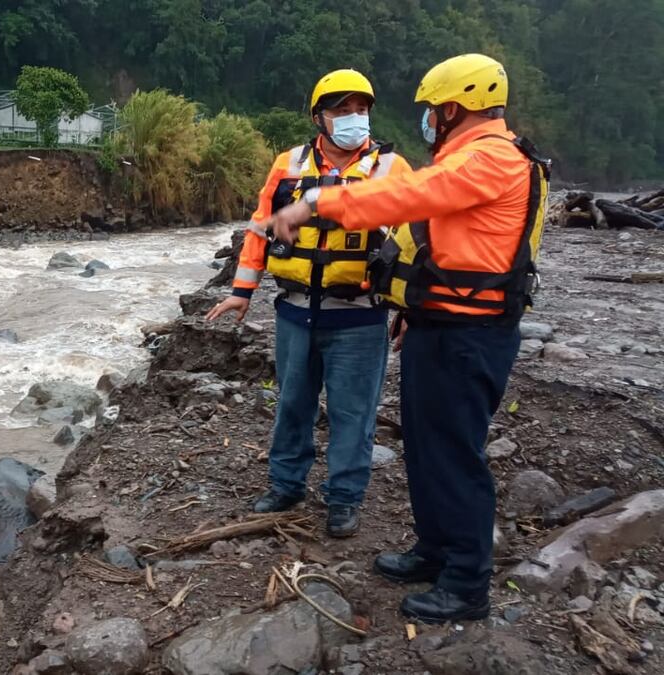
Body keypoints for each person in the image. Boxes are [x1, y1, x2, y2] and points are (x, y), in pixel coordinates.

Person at [261, 53, 550, 623]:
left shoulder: (490, 159)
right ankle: (435, 550)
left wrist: (317, 201)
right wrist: (410, 305)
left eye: (431, 110)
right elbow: (437, 239)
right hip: (440, 322)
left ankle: (467, 582)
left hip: (471, 332)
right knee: (425, 444)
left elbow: (404, 200)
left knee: (454, 454)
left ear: (450, 107)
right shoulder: (473, 156)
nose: (426, 120)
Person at [206, 69, 412, 538]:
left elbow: (415, 238)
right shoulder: (289, 163)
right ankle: (285, 485)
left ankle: (343, 499)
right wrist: (243, 290)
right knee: (292, 404)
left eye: (361, 110)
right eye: (342, 110)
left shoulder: (390, 168)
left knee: (352, 413)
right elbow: (261, 226)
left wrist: (410, 306)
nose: (353, 118)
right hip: (295, 311)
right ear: (319, 117)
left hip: (360, 316)